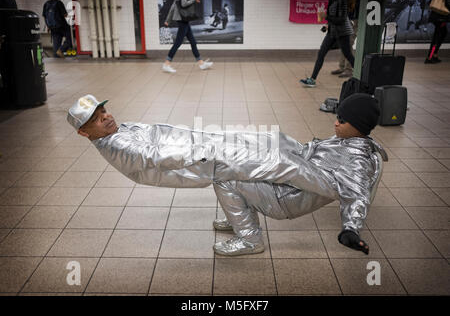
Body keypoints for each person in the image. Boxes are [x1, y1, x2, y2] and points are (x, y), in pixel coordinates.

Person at [68, 93, 386, 256]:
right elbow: (155, 155)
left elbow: (355, 190)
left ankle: (246, 229)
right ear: (84, 132)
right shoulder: (119, 144)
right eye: (97, 118)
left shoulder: (357, 156)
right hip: (211, 160)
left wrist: (350, 228)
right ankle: (245, 227)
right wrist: (211, 148)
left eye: (103, 110)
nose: (106, 116)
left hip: (274, 187)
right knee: (264, 153)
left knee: (251, 155)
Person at [300, 0, 356, 88]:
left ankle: (362, 73)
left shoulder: (342, 0)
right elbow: (332, 16)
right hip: (332, 31)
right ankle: (312, 80)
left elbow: (341, 20)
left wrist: (326, 16)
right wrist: (327, 24)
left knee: (347, 54)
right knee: (321, 53)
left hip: (343, 32)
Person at [162, 0, 213, 73]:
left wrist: (168, 20)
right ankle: (166, 64)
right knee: (178, 43)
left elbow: (174, 6)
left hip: (182, 19)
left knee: (193, 42)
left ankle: (201, 63)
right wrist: (194, 0)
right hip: (183, 19)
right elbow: (184, 4)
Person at [331, 0, 359, 78]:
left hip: (356, 19)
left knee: (349, 42)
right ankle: (342, 67)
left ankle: (349, 69)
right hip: (347, 19)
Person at [425, 0, 450, 64]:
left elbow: (430, 2)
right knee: (437, 36)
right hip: (440, 17)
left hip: (438, 16)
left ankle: (434, 54)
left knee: (443, 33)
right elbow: (447, 3)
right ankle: (430, 57)